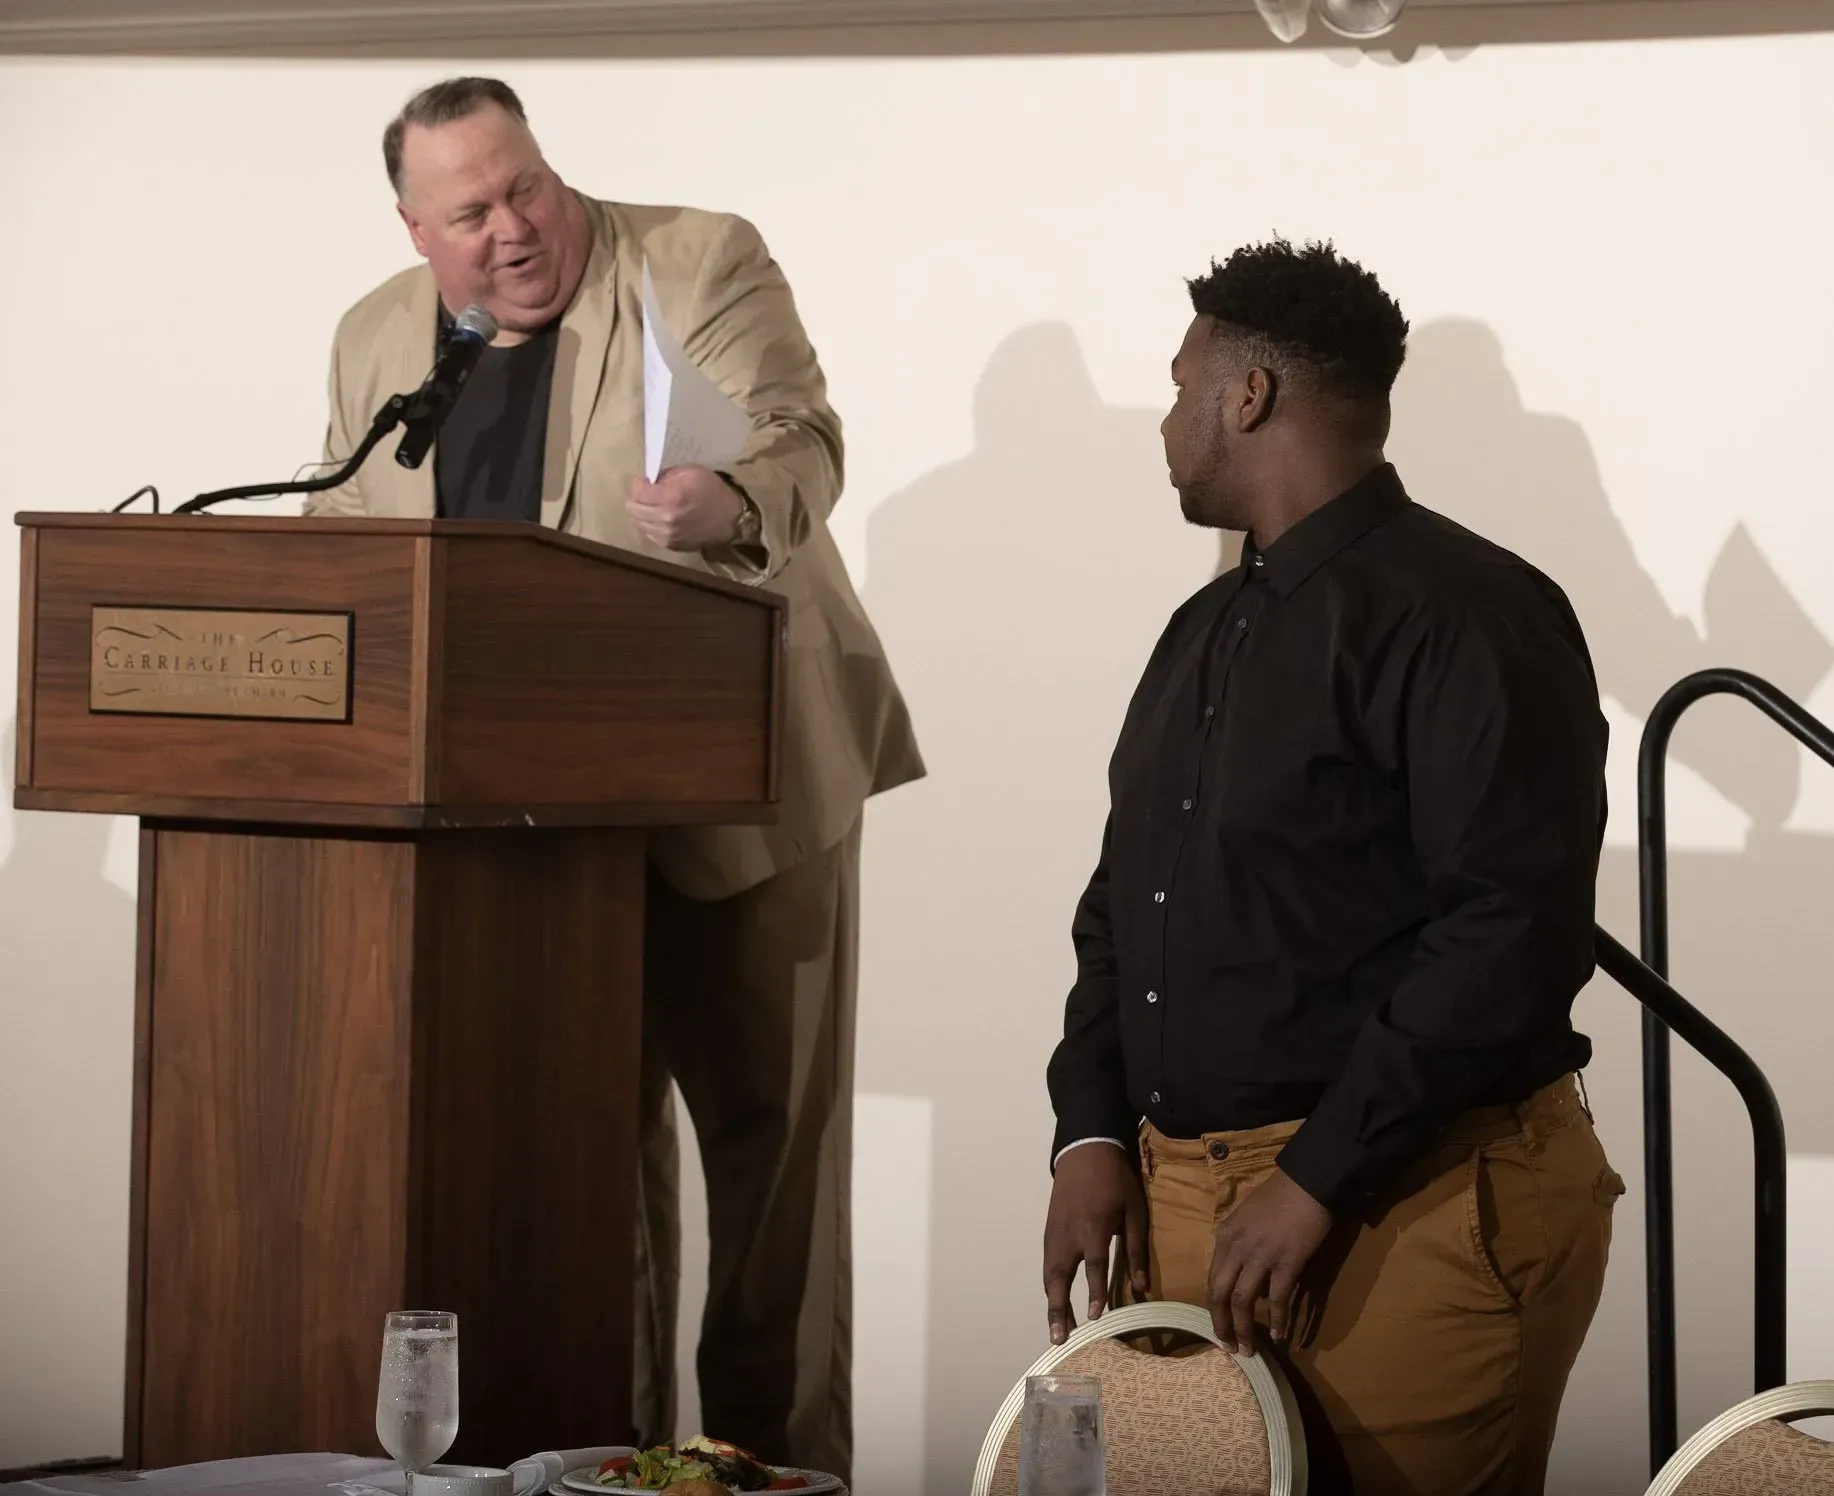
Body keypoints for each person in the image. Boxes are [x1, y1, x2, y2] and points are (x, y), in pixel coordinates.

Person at [305, 76, 923, 1481]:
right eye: (471, 211)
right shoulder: (378, 341)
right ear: (416, 228)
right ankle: (609, 1466)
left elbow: (801, 438)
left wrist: (734, 500)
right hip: (520, 833)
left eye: (526, 184)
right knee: (589, 1184)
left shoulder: (692, 258)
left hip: (744, 793)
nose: (516, 227)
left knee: (773, 1194)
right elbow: (350, 545)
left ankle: (774, 1473)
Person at [1040, 239, 1623, 1493]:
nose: (1164, 419)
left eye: (1179, 381)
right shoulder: (1200, 630)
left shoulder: (1470, 613)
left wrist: (1313, 1178)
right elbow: (1121, 907)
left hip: (1406, 1207)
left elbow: (1507, 936)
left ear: (1246, 395)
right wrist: (1087, 1129)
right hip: (1183, 1212)